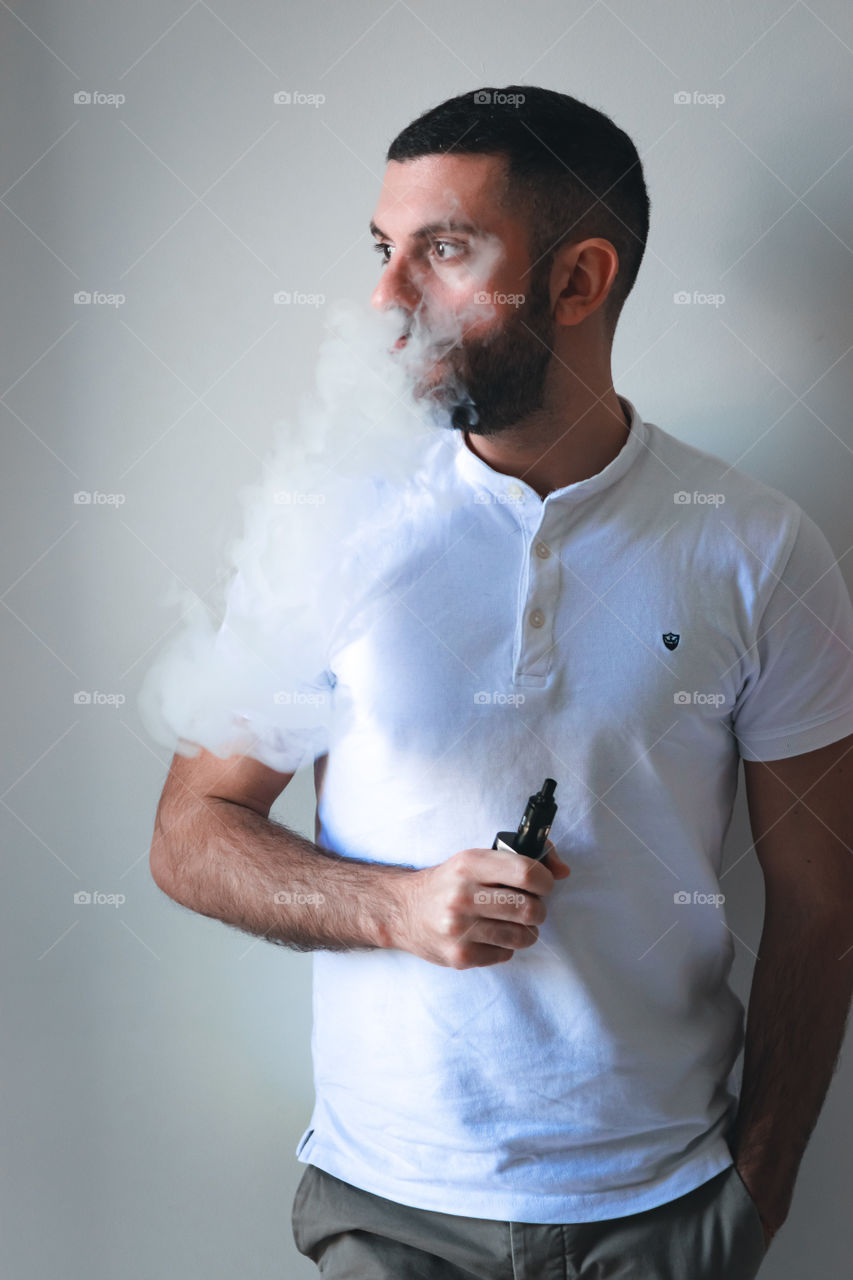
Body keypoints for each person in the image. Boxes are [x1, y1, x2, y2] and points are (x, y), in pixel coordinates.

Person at [149, 86, 853, 1279]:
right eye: (385, 249)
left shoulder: (755, 546)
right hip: (389, 1207)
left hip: (665, 1208)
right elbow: (189, 832)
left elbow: (822, 902)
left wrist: (759, 1187)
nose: (386, 294)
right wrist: (396, 906)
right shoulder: (331, 527)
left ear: (578, 281)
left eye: (444, 249)